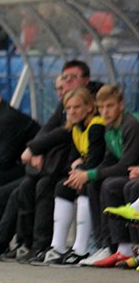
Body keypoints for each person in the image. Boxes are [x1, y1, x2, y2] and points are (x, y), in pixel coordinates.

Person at [67, 85, 139, 267]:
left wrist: (89, 174)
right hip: (131, 173)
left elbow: (125, 165)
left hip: (134, 173)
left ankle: (130, 248)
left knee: (116, 186)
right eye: (101, 107)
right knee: (95, 184)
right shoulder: (109, 128)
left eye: (109, 106)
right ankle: (106, 245)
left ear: (121, 105)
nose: (105, 112)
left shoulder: (131, 124)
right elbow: (108, 161)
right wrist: (85, 174)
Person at [38, 87, 105, 266]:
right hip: (86, 170)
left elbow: (96, 160)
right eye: (68, 108)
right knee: (62, 186)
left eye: (76, 107)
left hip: (101, 172)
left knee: (84, 185)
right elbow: (72, 160)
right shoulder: (76, 128)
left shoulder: (96, 126)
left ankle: (81, 248)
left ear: (89, 107)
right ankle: (57, 246)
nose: (72, 112)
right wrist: (78, 167)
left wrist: (80, 167)